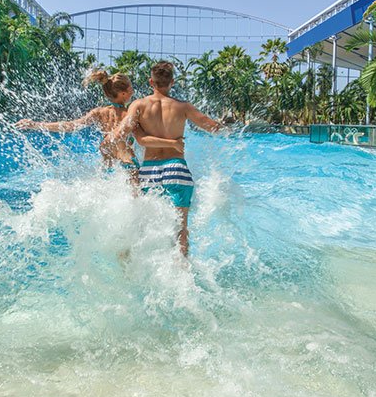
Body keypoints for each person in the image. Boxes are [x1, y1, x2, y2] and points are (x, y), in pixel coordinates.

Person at [112, 61, 222, 256]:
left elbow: (121, 132)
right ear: (172, 82)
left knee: (143, 225)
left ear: (150, 82)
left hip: (149, 171)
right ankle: (182, 274)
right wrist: (228, 126)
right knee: (181, 230)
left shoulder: (138, 105)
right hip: (177, 168)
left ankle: (128, 263)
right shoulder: (183, 107)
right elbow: (212, 127)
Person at [14, 71, 183, 181]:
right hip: (128, 164)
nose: (133, 90)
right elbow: (145, 138)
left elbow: (71, 125)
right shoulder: (131, 114)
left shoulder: (98, 113)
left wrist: (36, 124)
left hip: (108, 169)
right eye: (130, 87)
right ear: (123, 94)